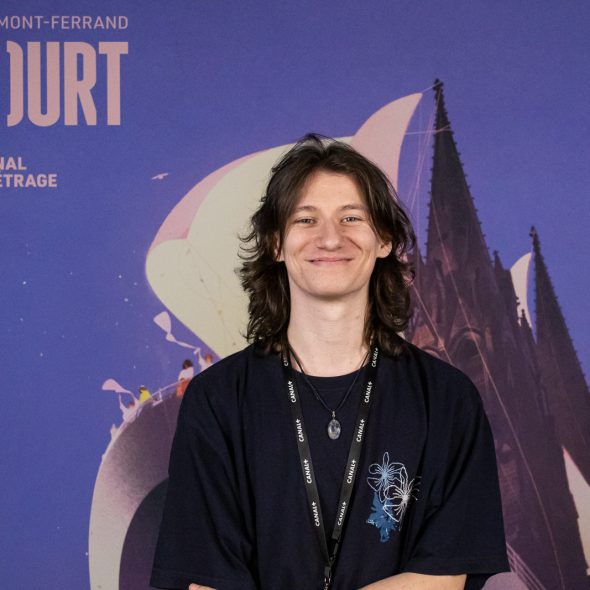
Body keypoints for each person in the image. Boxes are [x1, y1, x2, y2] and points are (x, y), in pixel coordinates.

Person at [151, 134, 509, 590]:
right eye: (306, 219)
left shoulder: (447, 399)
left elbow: (443, 579)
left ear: (384, 240)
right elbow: (203, 580)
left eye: (351, 217)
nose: (330, 237)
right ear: (275, 243)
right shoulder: (217, 401)